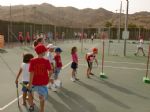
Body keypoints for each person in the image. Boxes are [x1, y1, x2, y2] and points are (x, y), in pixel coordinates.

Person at [28, 44, 52, 112]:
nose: (45, 52)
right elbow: (50, 71)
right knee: (42, 98)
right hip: (43, 83)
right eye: (45, 51)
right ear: (42, 52)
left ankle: (31, 105)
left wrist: (30, 84)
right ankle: (42, 110)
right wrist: (48, 78)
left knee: (29, 93)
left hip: (34, 83)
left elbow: (31, 73)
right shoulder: (46, 61)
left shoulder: (32, 61)